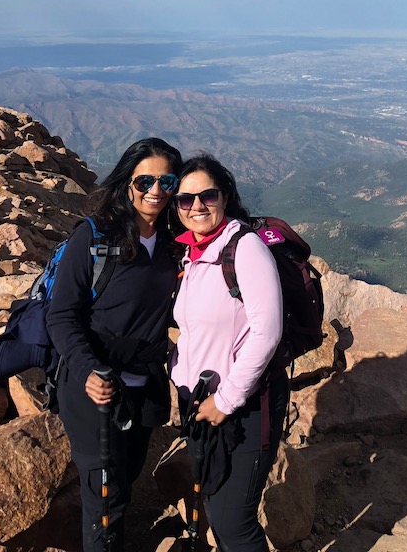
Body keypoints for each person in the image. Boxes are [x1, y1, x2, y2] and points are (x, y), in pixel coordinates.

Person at [46, 137, 182, 552]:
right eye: (145, 181)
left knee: (124, 482)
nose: (155, 191)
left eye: (167, 181)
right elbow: (61, 315)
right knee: (103, 500)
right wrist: (88, 370)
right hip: (95, 386)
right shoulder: (94, 238)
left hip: (143, 384)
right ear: (128, 183)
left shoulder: (176, 241)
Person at [170, 153, 287, 552]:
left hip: (246, 406)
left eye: (207, 195)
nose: (197, 206)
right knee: (216, 508)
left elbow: (267, 332)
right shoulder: (195, 252)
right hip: (202, 404)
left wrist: (227, 399)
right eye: (186, 199)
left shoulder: (245, 248)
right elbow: (194, 330)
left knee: (233, 522)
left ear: (225, 196)